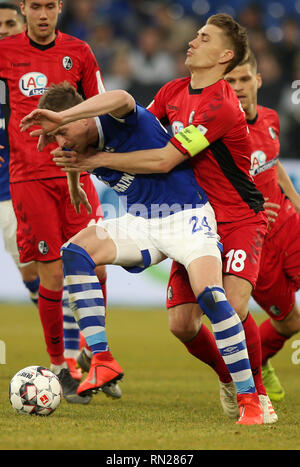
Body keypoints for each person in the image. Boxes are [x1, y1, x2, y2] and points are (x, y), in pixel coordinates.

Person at [54, 14, 278, 424]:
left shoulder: (219, 104)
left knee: (230, 303)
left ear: (224, 55)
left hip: (236, 217)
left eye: (204, 37)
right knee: (182, 325)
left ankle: (256, 395)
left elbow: (164, 158)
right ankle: (229, 379)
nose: (193, 40)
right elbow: (142, 132)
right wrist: (73, 143)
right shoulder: (173, 90)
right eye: (196, 33)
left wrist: (96, 160)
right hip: (180, 211)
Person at [21, 82, 265, 425]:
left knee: (211, 296)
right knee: (74, 251)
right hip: (141, 222)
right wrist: (75, 181)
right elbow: (78, 157)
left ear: (84, 115)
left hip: (187, 217)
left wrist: (61, 116)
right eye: (56, 136)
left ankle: (249, 398)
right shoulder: (80, 143)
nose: (60, 141)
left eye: (62, 132)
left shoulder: (118, 119)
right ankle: (103, 359)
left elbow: (121, 97)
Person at [0, 0, 115, 404]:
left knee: (97, 262)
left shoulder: (79, 52)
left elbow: (102, 108)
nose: (43, 14)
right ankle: (62, 366)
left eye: (50, 5)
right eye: (36, 6)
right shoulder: (5, 51)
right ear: (26, 9)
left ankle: (95, 352)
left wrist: (91, 156)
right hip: (29, 178)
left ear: (60, 8)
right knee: (51, 275)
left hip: (76, 171)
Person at [225, 51, 300, 402]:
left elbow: (274, 165)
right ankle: (260, 358)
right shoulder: (221, 134)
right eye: (230, 81)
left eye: (244, 79)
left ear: (258, 79)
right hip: (257, 244)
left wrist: (297, 203)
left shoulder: (270, 118)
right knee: (290, 323)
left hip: (289, 225)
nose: (238, 87)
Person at [0, 2, 40, 306]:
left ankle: (70, 343)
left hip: (14, 189)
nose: (2, 31)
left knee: (31, 272)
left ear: (23, 28)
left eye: (9, 24)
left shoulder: (34, 77)